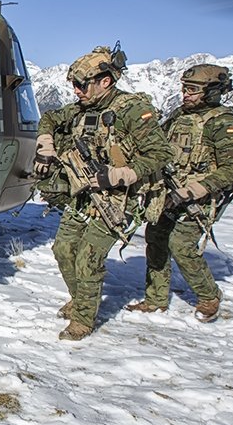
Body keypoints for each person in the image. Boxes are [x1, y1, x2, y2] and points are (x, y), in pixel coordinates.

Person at [34, 45, 173, 341]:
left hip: (120, 199)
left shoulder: (133, 110)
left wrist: (119, 174)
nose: (76, 91)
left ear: (105, 81)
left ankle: (84, 319)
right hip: (85, 194)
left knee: (88, 256)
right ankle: (81, 299)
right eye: (73, 84)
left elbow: (161, 153)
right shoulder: (82, 109)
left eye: (82, 85)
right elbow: (49, 120)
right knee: (63, 249)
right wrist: (45, 149)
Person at [126, 64, 233, 322]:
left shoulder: (222, 122)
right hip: (169, 191)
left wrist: (193, 190)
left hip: (200, 198)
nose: (186, 95)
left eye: (192, 90)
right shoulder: (180, 115)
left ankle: (209, 295)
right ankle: (155, 299)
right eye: (184, 89)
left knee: (180, 245)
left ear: (212, 92)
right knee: (155, 238)